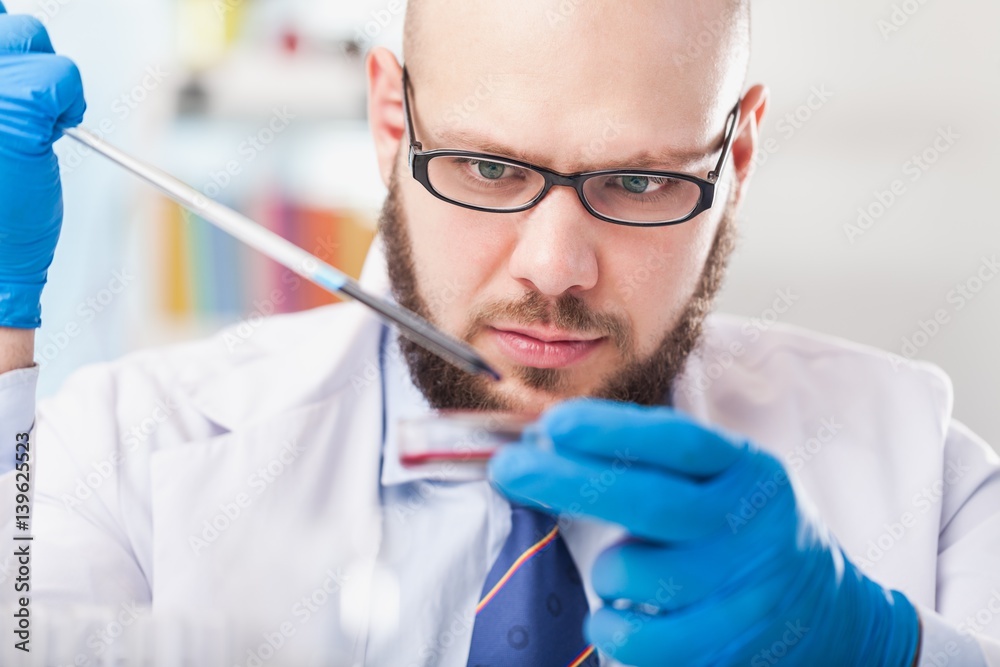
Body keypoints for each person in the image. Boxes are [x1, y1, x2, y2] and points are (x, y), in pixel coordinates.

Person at [1, 0, 999, 665]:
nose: (553, 267)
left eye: (639, 180)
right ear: (391, 123)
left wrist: (889, 650)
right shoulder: (129, 454)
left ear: (736, 155)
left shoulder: (922, 467)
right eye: (487, 169)